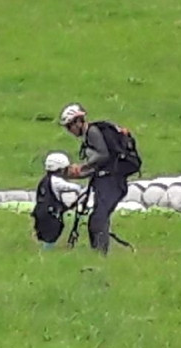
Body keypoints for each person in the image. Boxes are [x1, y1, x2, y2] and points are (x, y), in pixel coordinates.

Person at [58, 103, 132, 254]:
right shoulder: (90, 135)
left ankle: (100, 254)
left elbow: (103, 155)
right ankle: (98, 253)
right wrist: (79, 173)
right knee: (98, 218)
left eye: (69, 126)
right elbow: (99, 166)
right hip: (107, 181)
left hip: (111, 182)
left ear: (78, 121)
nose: (69, 131)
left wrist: (83, 166)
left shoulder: (92, 132)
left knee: (98, 219)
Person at [32, 151, 85, 250]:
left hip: (40, 212)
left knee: (47, 234)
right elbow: (75, 188)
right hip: (50, 213)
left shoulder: (45, 180)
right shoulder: (56, 181)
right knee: (52, 234)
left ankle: (45, 250)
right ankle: (46, 252)